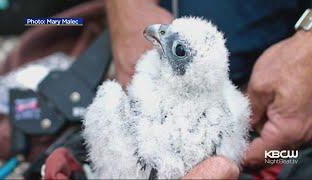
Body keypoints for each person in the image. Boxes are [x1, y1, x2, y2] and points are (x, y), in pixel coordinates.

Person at [45, 0, 312, 179]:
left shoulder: (232, 106)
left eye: (176, 47)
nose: (158, 33)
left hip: (276, 112)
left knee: (291, 160)